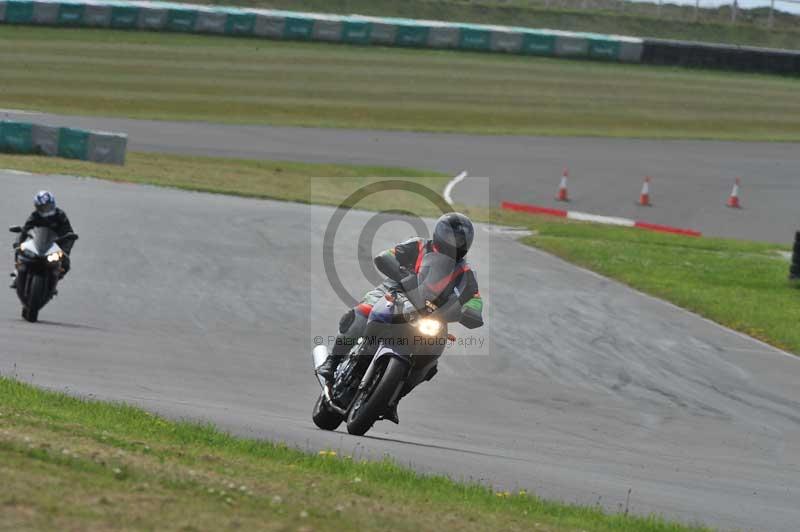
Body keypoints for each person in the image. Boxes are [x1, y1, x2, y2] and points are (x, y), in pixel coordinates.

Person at [316, 212, 484, 423]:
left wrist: (472, 311)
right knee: (362, 313)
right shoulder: (418, 246)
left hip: (432, 313)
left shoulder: (466, 273)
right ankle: (332, 362)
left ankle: (393, 399)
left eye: (459, 239)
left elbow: (475, 298)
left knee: (431, 359)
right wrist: (399, 270)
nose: (454, 242)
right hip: (396, 292)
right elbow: (386, 255)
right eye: (451, 237)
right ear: (440, 234)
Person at [10, 191, 75, 289]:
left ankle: (55, 279)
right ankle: (17, 273)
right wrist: (17, 243)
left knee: (66, 263)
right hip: (38, 243)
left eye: (47, 207)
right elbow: (24, 229)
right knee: (20, 250)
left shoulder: (61, 216)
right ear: (37, 207)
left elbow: (69, 234)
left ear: (53, 204)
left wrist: (65, 251)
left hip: (55, 245)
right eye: (42, 208)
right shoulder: (35, 215)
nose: (45, 210)